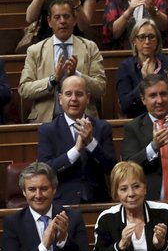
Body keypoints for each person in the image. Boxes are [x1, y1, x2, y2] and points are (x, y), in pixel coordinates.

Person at [19, 0, 106, 124]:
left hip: (83, 121)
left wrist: (77, 75)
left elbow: (101, 88)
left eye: (66, 16)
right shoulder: (35, 51)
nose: (62, 21)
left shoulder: (90, 48)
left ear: (75, 20)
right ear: (49, 21)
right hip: (47, 121)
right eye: (57, 17)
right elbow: (24, 89)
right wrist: (53, 79)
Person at [37, 75, 116, 204]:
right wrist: (76, 150)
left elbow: (112, 168)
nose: (74, 99)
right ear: (60, 99)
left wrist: (91, 143)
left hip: (97, 200)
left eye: (79, 94)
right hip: (62, 203)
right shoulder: (48, 130)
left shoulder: (102, 127)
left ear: (88, 98)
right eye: (68, 94)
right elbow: (45, 170)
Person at [116, 19, 168, 118]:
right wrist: (144, 81)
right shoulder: (125, 67)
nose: (147, 41)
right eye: (142, 37)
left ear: (157, 41)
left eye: (151, 37)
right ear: (134, 41)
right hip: (137, 121)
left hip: (167, 118)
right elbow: (125, 105)